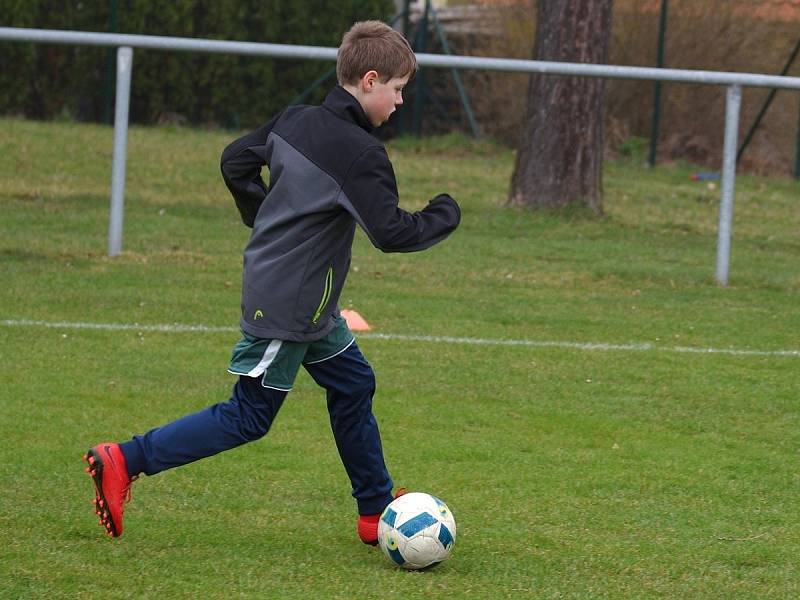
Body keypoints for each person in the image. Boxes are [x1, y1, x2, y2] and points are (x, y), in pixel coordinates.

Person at [84, 20, 460, 545]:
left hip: (309, 302)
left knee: (353, 383)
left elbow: (235, 159)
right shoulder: (361, 153)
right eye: (398, 90)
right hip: (290, 303)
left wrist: (265, 216)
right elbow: (392, 232)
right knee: (249, 416)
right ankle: (124, 459)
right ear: (370, 80)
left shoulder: (297, 119)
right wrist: (446, 213)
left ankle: (375, 508)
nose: (399, 102)